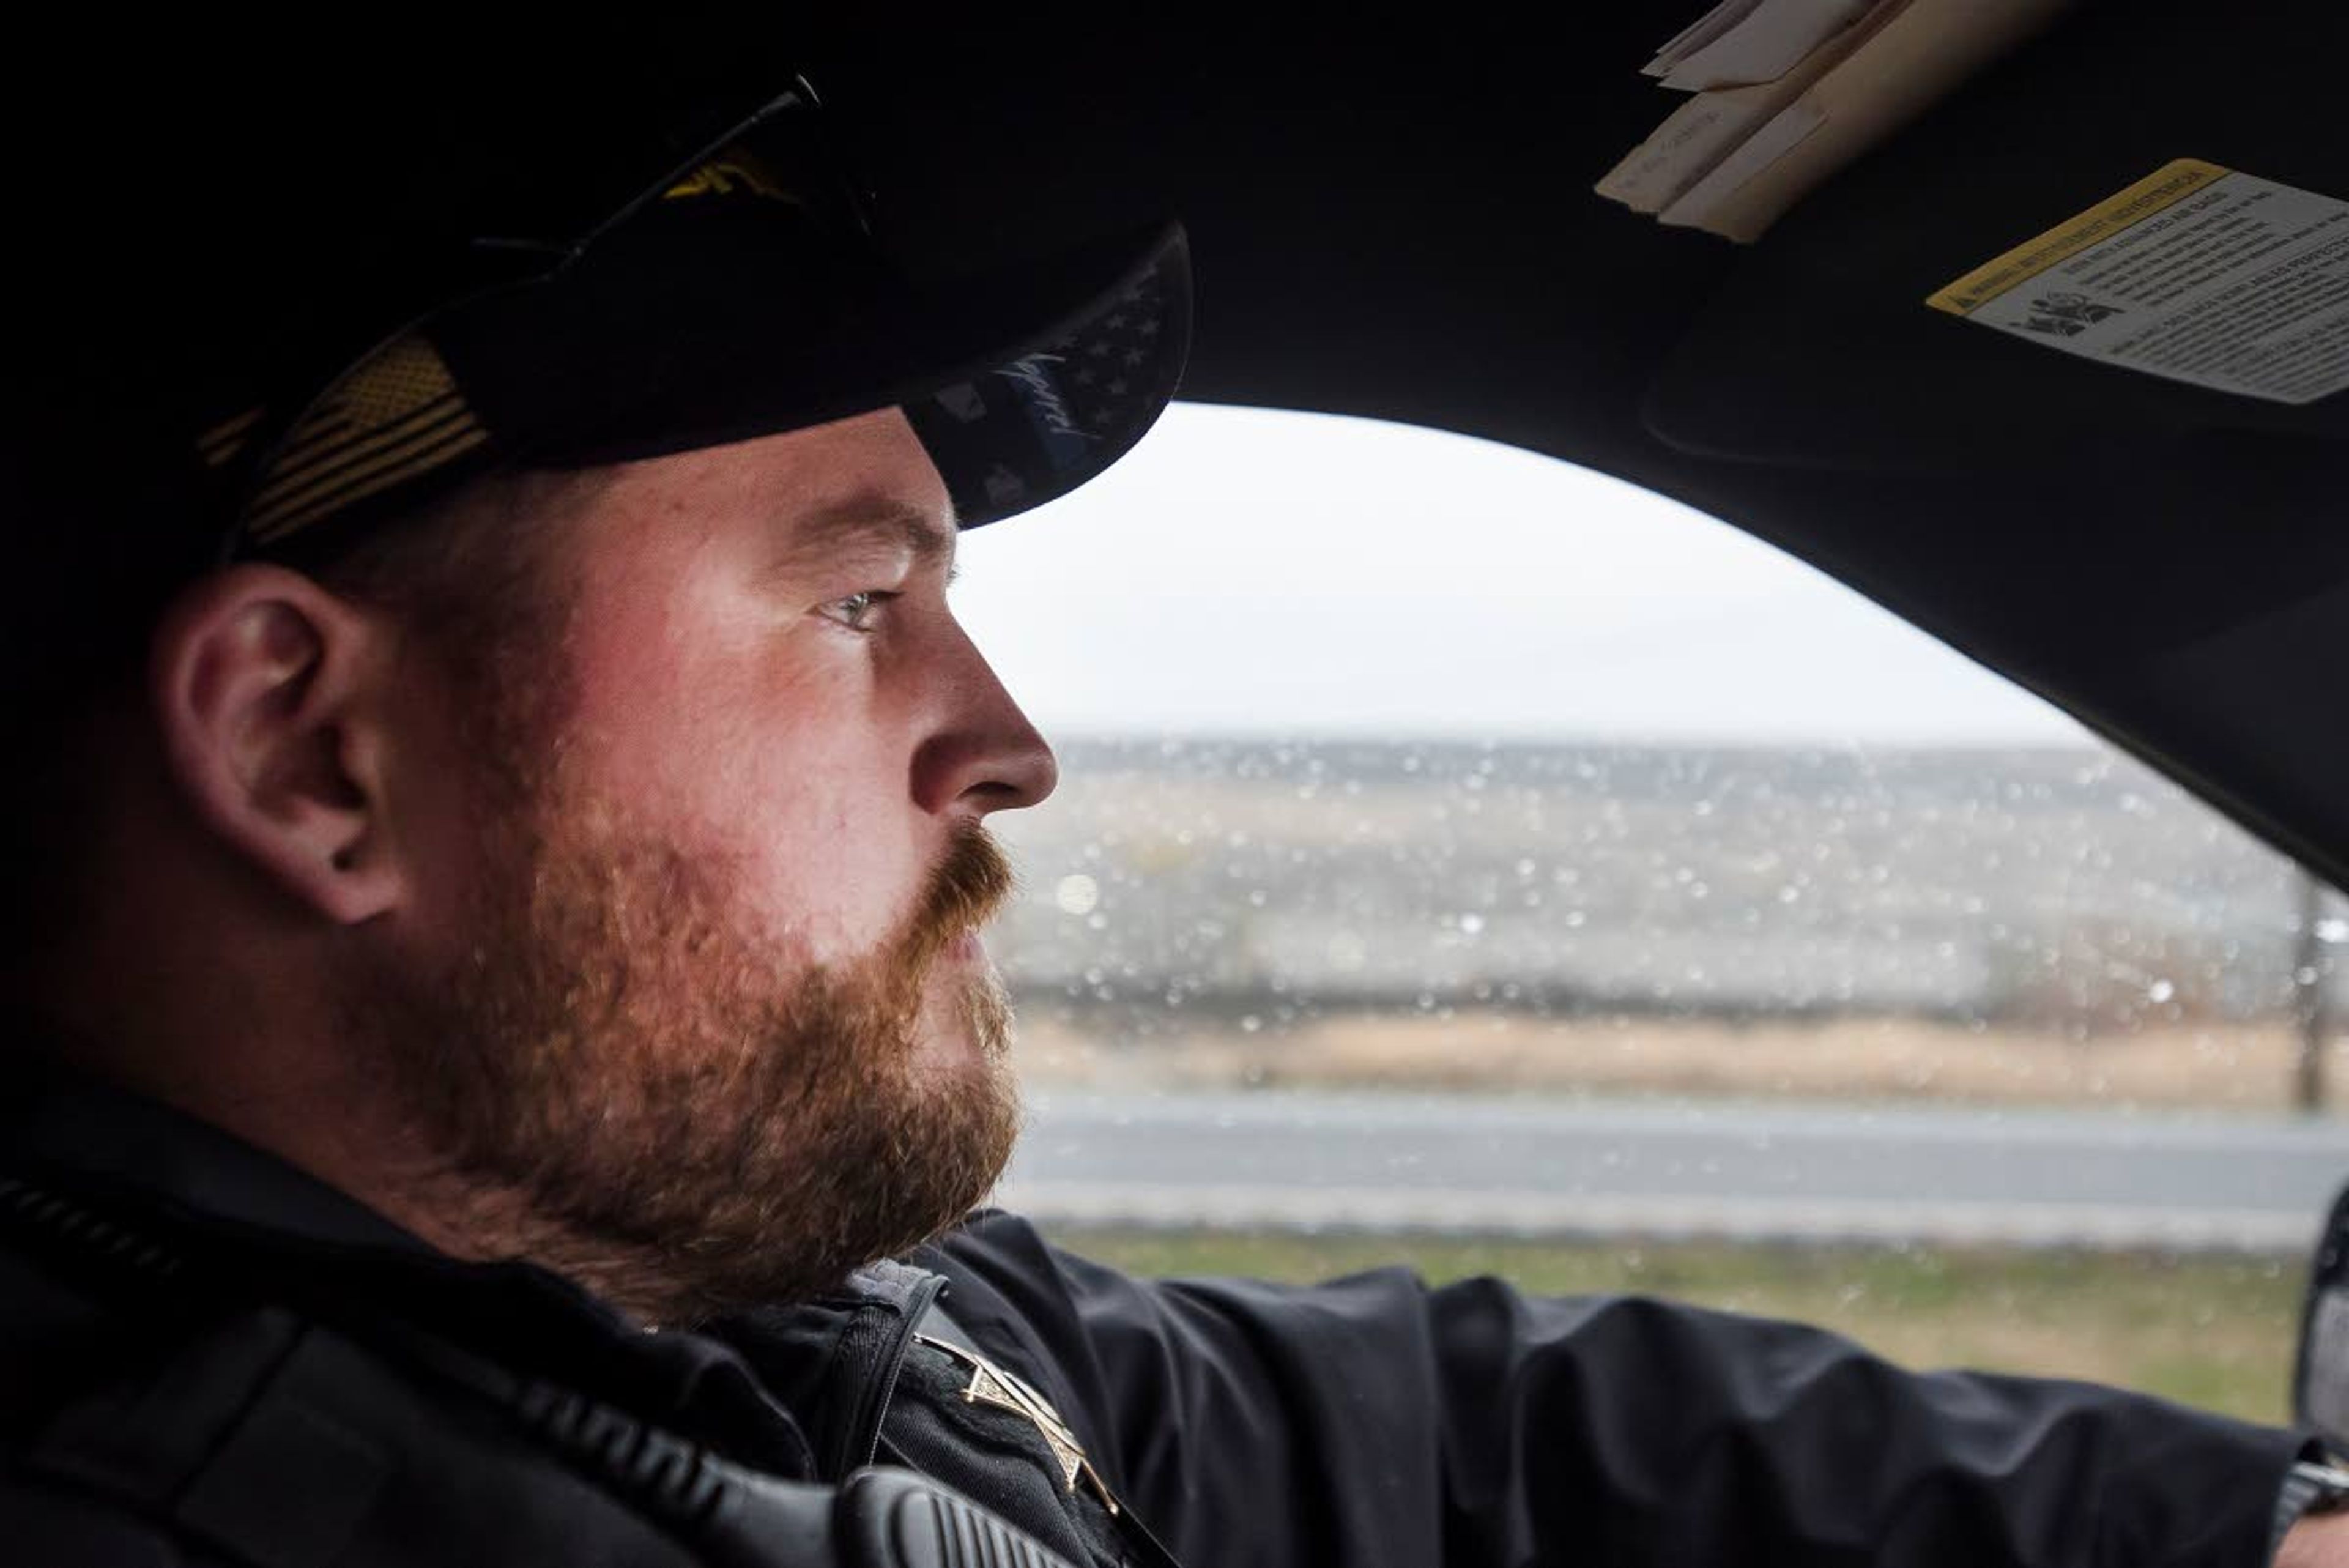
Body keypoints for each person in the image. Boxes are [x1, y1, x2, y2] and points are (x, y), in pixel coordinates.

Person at [1, 56, 2341, 1568]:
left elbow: (1460, 1439)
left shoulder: (699, 1284)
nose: (1005, 740)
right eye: (854, 603)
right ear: (314, 752)